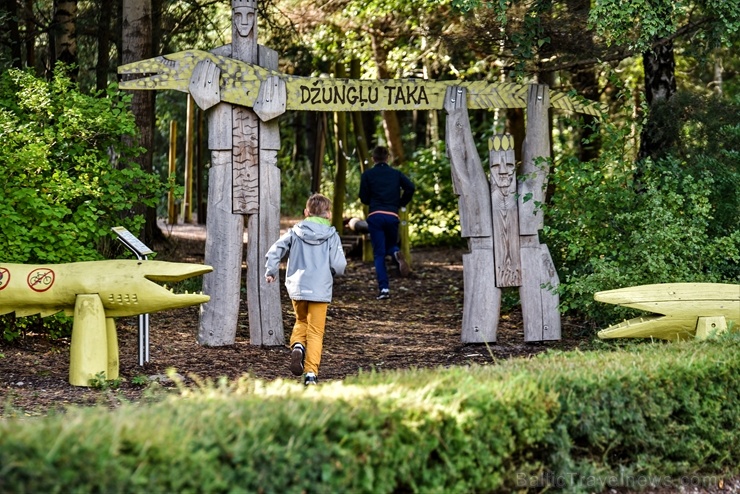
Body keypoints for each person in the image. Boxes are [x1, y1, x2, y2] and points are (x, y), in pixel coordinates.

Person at [265, 193, 347, 386]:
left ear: (306, 212)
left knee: (301, 320)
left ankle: (298, 345)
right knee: (316, 332)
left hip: (298, 286)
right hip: (320, 288)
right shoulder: (331, 235)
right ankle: (311, 374)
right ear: (328, 214)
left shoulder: (295, 231)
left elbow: (276, 249)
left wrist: (271, 270)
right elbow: (339, 264)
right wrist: (331, 273)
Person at [359, 145, 415, 300]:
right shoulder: (396, 174)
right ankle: (396, 252)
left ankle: (384, 289)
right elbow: (410, 187)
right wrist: (400, 203)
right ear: (388, 158)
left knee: (379, 254)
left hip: (375, 215)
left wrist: (373, 200)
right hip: (392, 215)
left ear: (373, 159)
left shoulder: (368, 175)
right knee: (391, 245)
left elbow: (363, 197)